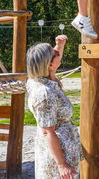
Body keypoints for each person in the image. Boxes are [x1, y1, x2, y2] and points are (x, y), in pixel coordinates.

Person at [26, 35, 81, 179]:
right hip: (58, 154)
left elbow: (53, 59)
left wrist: (59, 46)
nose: (57, 52)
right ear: (49, 65)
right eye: (54, 53)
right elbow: (48, 132)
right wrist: (62, 164)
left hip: (64, 148)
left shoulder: (42, 79)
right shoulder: (44, 94)